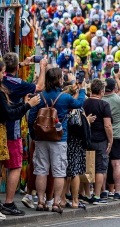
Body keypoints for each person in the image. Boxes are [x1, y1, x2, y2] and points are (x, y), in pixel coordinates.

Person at [28, 67, 86, 213]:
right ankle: (55, 203)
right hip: (60, 138)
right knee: (59, 171)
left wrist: (34, 135)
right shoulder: (65, 98)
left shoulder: (40, 97)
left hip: (41, 137)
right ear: (59, 80)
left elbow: (31, 118)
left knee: (41, 170)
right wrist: (83, 89)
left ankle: (41, 202)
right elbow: (79, 104)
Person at [1, 54, 45, 215]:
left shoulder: (2, 78)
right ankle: (9, 202)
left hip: (2, 129)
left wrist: (22, 63)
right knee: (15, 166)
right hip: (11, 129)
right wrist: (43, 67)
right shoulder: (17, 83)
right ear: (16, 68)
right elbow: (39, 87)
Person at [82, 79, 113, 205]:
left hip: (86, 139)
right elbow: (108, 126)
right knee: (99, 169)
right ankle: (97, 195)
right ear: (101, 91)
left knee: (86, 167)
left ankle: (86, 194)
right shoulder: (104, 105)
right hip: (100, 140)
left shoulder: (84, 103)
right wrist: (110, 141)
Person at [102, 76, 120, 199]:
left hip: (103, 136)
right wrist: (118, 78)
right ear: (114, 88)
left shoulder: (100, 100)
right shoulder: (119, 100)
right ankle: (117, 191)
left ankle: (103, 191)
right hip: (117, 135)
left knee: (102, 165)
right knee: (116, 164)